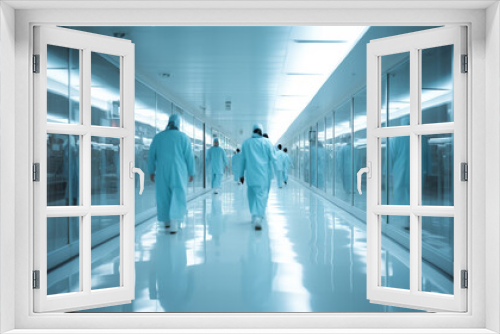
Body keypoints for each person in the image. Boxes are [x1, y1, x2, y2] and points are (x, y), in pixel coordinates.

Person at [148, 114, 195, 234]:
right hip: (178, 170)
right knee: (178, 193)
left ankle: (166, 222)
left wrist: (151, 171)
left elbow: (151, 155)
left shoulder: (158, 137)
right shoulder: (183, 137)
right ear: (179, 124)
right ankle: (175, 222)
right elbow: (189, 157)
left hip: (162, 170)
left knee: (163, 195)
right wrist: (191, 171)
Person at [237, 124, 277, 231]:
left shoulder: (246, 143)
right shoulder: (267, 143)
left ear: (253, 131)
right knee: (261, 195)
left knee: (251, 195)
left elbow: (242, 160)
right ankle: (259, 216)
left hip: (250, 175)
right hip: (263, 175)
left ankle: (254, 214)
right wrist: (278, 174)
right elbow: (274, 159)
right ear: (261, 131)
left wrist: (240, 175)